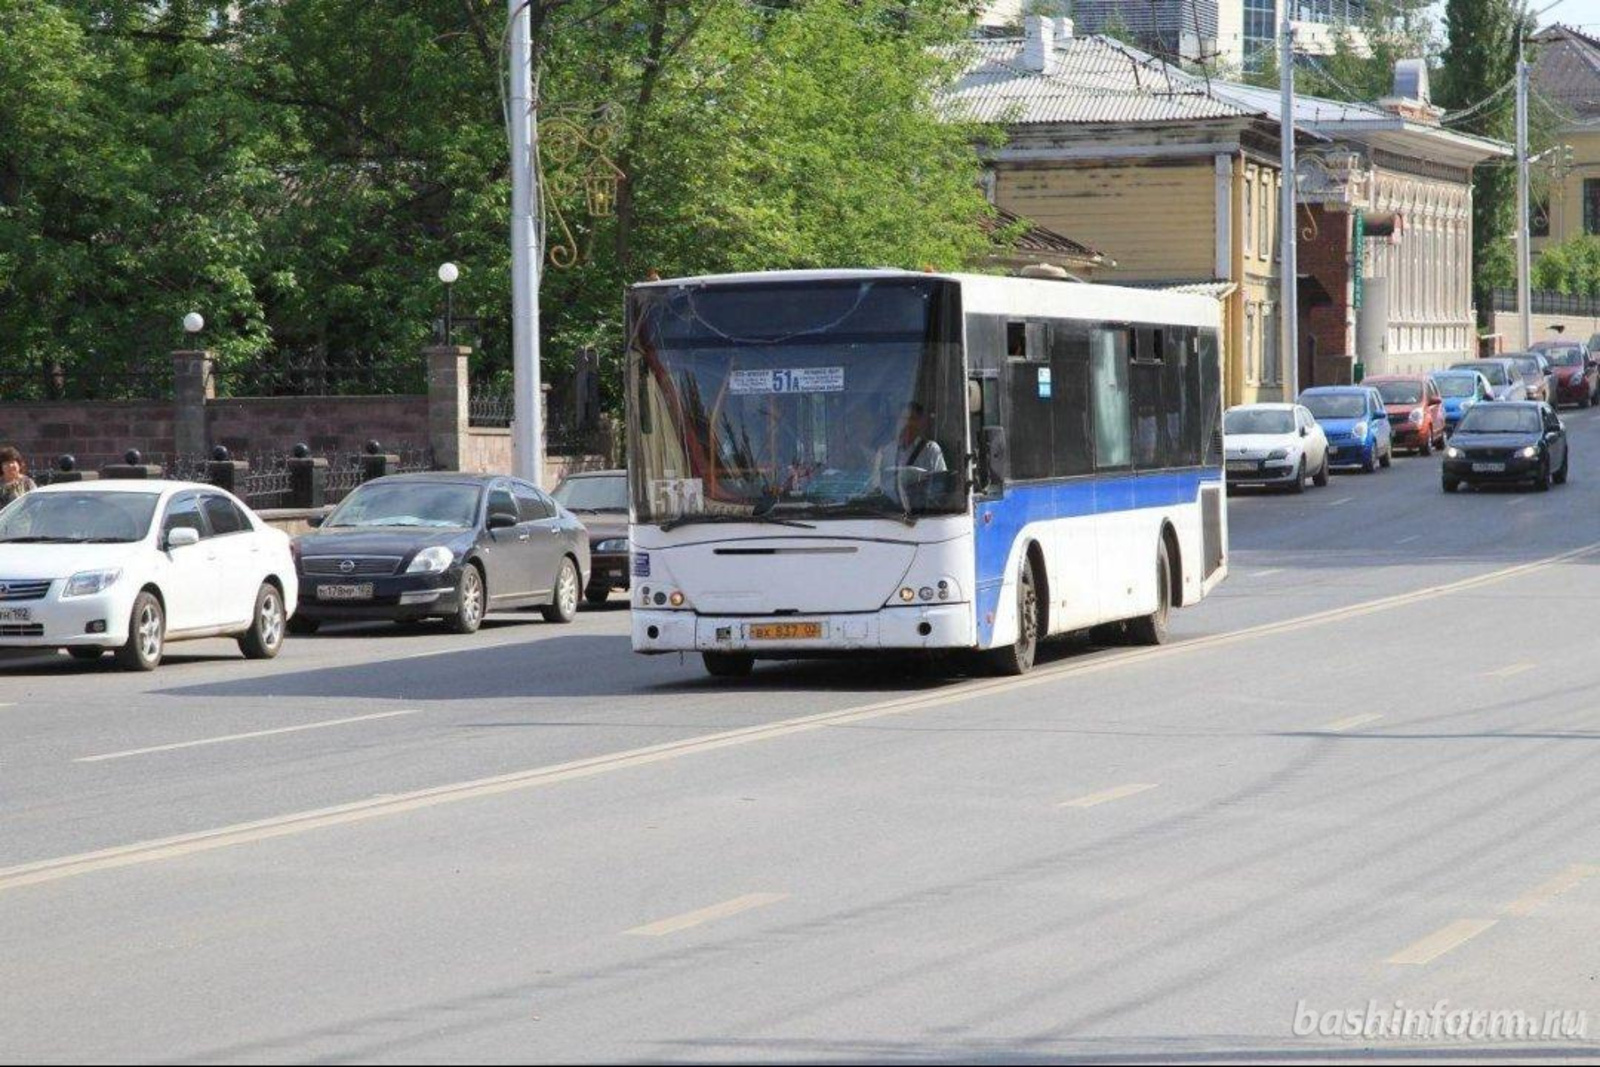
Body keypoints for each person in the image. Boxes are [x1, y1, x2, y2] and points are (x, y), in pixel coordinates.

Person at [872, 402, 946, 495]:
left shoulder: (931, 450)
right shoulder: (886, 451)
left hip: (923, 502)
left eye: (913, 419)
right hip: (892, 502)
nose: (908, 423)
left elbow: (941, 483)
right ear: (897, 422)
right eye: (904, 419)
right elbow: (876, 487)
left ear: (921, 423)